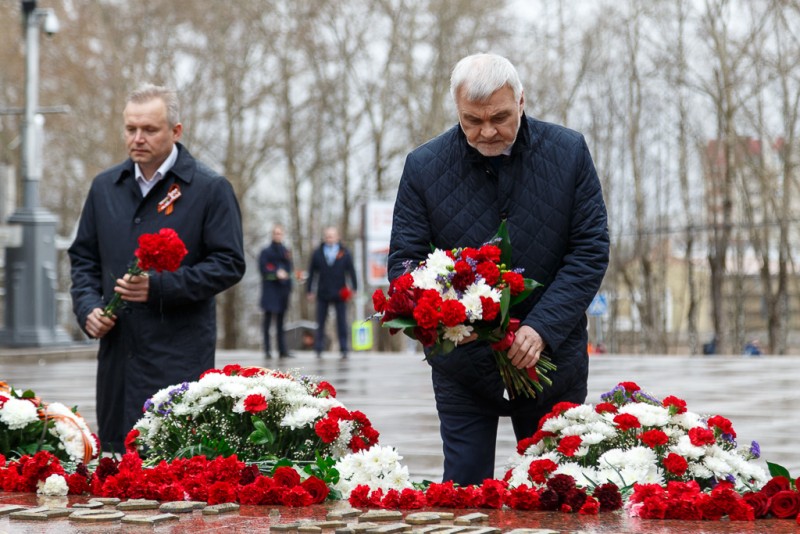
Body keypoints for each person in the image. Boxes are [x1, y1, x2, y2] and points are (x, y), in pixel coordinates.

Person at [388, 53, 609, 485]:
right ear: (456, 109)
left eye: (500, 117)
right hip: (463, 364)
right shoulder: (423, 166)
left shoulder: (568, 153)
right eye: (472, 120)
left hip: (552, 359)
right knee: (465, 495)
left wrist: (542, 328)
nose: (487, 131)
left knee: (555, 492)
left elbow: (589, 250)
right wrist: (447, 316)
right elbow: (404, 262)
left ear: (522, 101)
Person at [68, 83, 246, 453]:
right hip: (118, 360)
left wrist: (160, 287)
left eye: (149, 129)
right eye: (131, 129)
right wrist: (88, 309)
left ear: (176, 131)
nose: (137, 138)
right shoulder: (105, 188)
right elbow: (83, 258)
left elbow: (229, 263)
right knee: (118, 470)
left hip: (177, 358)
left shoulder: (209, 188)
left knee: (174, 470)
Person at [306, 226, 358, 359]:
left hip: (340, 292)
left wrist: (354, 287)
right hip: (323, 292)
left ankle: (344, 348)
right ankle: (318, 348)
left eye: (332, 236)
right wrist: (309, 290)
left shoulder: (345, 252)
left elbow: (351, 271)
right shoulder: (317, 253)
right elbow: (312, 273)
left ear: (337, 237)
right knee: (320, 321)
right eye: (327, 236)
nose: (330, 238)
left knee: (342, 322)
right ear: (325, 237)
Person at [259, 224, 293, 358]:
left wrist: (289, 287)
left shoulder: (286, 251)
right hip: (269, 291)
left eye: (280, 233)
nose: (278, 236)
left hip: (282, 291)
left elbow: (289, 270)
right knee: (267, 322)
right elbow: (263, 269)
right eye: (276, 233)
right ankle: (267, 350)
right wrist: (275, 272)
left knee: (281, 322)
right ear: (272, 235)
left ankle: (282, 350)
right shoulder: (266, 252)